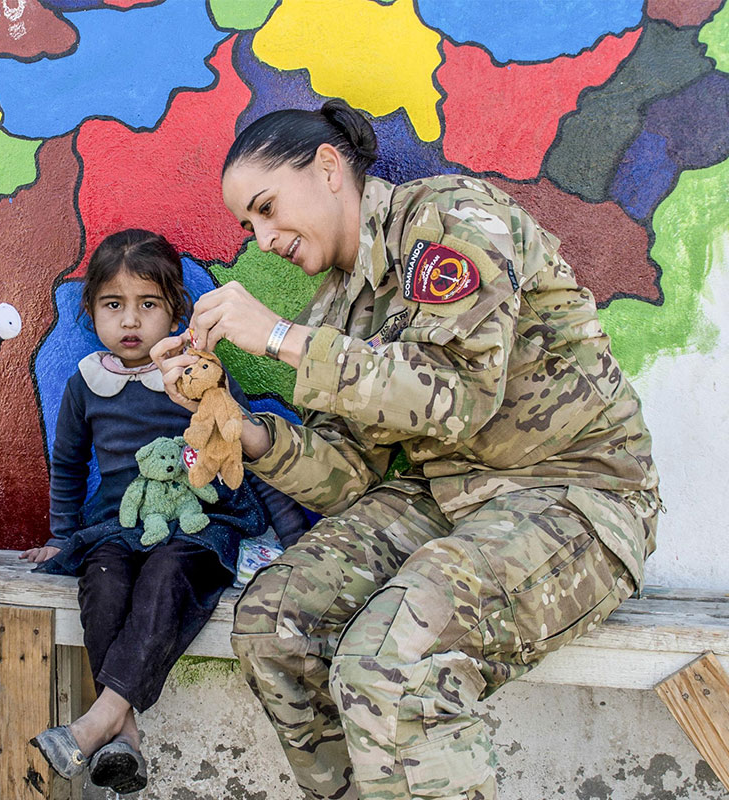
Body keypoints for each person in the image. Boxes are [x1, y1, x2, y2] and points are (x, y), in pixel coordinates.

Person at [152, 99, 661, 800]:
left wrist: (276, 337)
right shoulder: (336, 308)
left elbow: (458, 397)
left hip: (575, 493)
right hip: (446, 496)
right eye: (249, 226)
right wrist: (242, 429)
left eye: (267, 208)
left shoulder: (449, 218)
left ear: (327, 168)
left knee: (388, 660)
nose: (263, 238)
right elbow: (347, 476)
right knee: (274, 627)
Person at [20, 229, 307, 794]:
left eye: (148, 304)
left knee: (166, 577)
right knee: (103, 584)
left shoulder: (196, 375)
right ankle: (123, 735)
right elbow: (69, 464)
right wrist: (62, 536)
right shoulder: (87, 384)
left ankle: (99, 723)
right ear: (91, 311)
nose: (130, 320)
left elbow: (245, 449)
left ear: (175, 311)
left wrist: (297, 538)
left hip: (198, 528)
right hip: (118, 526)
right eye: (113, 305)